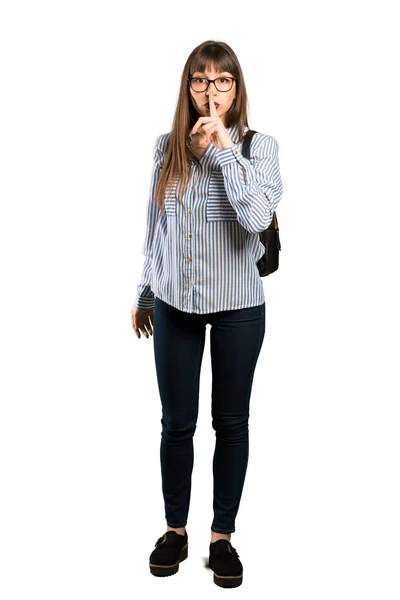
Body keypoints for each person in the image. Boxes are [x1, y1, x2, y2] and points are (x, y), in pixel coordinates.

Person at [130, 40, 283, 588]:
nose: (210, 91)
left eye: (222, 81)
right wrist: (146, 291)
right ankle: (175, 530)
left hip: (240, 305)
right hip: (176, 303)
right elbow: (156, 229)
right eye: (200, 80)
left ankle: (222, 537)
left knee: (231, 422)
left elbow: (256, 214)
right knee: (177, 424)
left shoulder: (259, 149)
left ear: (236, 89)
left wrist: (221, 147)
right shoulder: (164, 149)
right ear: (187, 87)